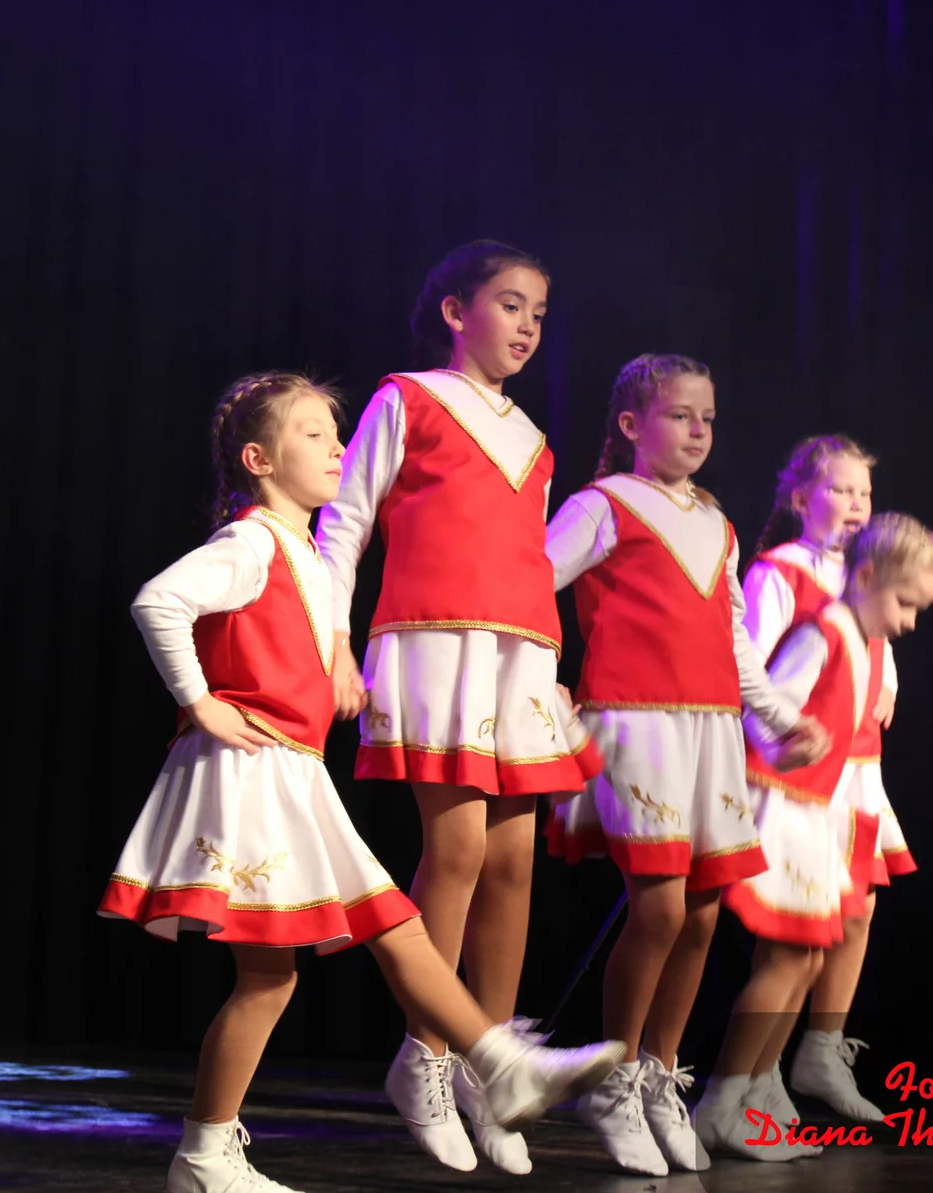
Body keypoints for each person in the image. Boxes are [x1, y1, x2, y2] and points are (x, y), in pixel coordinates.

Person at [101, 372, 625, 1193]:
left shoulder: (302, 553)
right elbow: (158, 602)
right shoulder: (251, 543)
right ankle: (489, 1066)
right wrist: (200, 702)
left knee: (323, 957)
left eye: (337, 434)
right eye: (313, 434)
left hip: (292, 772)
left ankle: (491, 1066)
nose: (336, 448)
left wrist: (335, 672)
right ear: (258, 459)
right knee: (309, 961)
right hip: (251, 777)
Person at [317, 242, 599, 1173]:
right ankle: (428, 1055)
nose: (528, 326)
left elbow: (531, 561)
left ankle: (491, 1072)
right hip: (437, 643)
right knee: (460, 848)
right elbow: (345, 520)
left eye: (539, 313)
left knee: (515, 861)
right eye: (510, 304)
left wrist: (553, 669)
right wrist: (329, 637)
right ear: (454, 311)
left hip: (521, 654)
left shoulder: (536, 440)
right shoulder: (408, 398)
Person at [543, 354, 829, 1175]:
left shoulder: (716, 521)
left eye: (707, 417)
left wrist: (779, 717)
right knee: (660, 909)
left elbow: (732, 638)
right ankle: (613, 1074)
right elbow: (532, 584)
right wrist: (541, 680)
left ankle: (659, 1074)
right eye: (679, 415)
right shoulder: (602, 505)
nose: (698, 430)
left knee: (702, 915)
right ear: (632, 425)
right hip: (637, 724)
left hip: (710, 730)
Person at [696, 513, 933, 1163]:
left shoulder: (861, 638)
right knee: (787, 959)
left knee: (808, 959)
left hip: (811, 808)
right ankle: (721, 1103)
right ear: (865, 577)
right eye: (904, 603)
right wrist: (786, 741)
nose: (909, 622)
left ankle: (751, 1092)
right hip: (782, 803)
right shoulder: (826, 631)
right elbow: (766, 706)